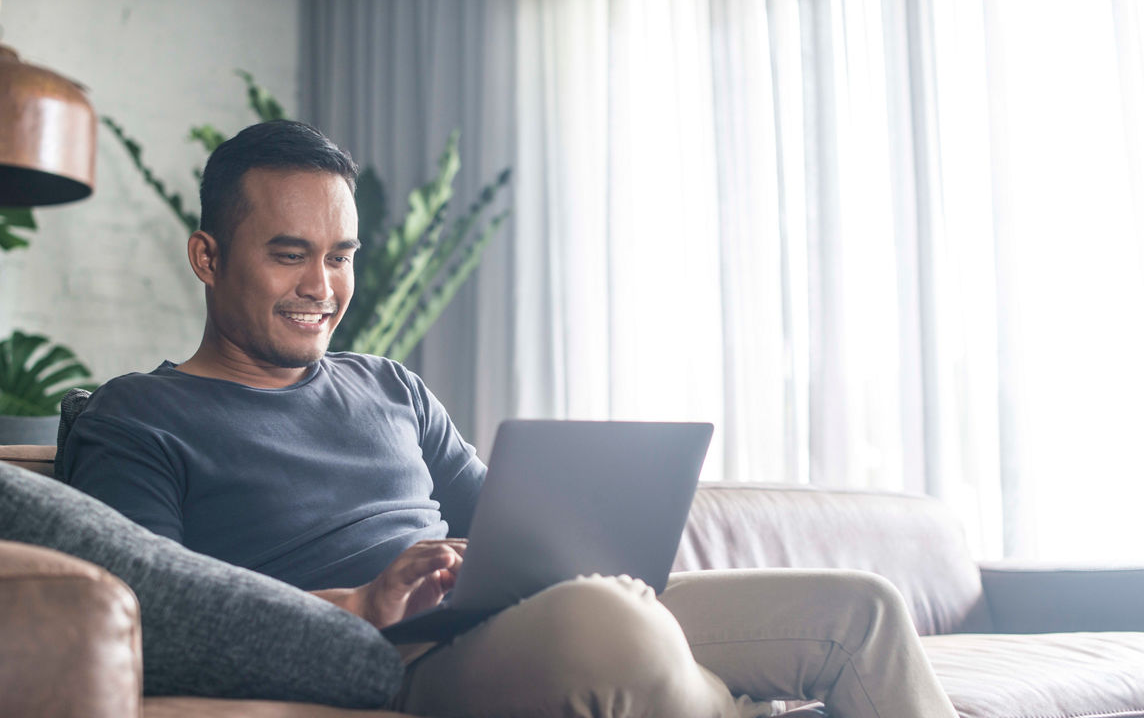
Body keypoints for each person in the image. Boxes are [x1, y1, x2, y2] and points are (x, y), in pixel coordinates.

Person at [65, 120, 959, 718]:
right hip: (390, 661)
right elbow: (149, 616)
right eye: (289, 255)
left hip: (514, 620)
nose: (322, 287)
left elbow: (519, 534)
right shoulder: (138, 417)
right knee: (614, 627)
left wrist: (570, 549)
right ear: (208, 256)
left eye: (340, 256)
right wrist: (359, 604)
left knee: (862, 609)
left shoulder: (389, 387)